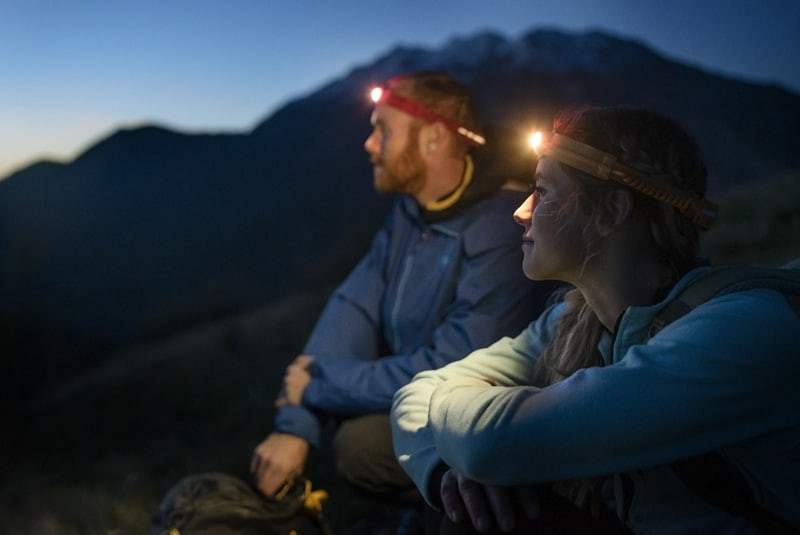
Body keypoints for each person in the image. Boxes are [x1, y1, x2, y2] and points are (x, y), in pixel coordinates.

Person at [391, 106, 800, 534]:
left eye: (543, 190)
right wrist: (444, 468)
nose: (522, 211)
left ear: (611, 211)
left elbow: (489, 444)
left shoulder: (741, 333)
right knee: (474, 504)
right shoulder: (572, 321)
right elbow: (414, 395)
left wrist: (454, 421)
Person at [250, 71, 561, 510]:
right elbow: (354, 306)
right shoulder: (411, 212)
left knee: (360, 446)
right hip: (416, 389)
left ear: (434, 139)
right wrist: (294, 424)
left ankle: (466, 511)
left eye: (382, 130)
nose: (369, 144)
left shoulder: (501, 227)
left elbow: (454, 363)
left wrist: (318, 384)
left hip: (476, 408)